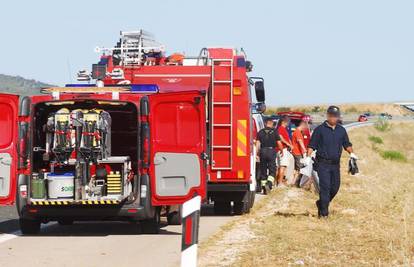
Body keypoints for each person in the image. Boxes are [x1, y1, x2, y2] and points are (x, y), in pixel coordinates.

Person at [306, 106, 358, 218]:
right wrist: (307, 157)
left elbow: (347, 144)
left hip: (335, 165)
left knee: (335, 187)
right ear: (328, 116)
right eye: (332, 116)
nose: (334, 118)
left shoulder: (341, 130)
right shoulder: (319, 130)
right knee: (325, 188)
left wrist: (352, 153)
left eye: (336, 116)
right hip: (322, 164)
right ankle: (324, 214)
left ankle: (321, 204)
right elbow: (312, 145)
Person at [256, 118, 283, 194]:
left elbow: (257, 144)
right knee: (272, 170)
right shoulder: (274, 131)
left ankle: (264, 189)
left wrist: (257, 153)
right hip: (271, 151)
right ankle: (269, 184)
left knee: (263, 170)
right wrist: (281, 150)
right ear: (271, 124)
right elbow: (279, 143)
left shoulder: (260, 132)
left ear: (265, 124)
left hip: (263, 151)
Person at [276, 115, 293, 187]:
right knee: (282, 166)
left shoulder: (283, 129)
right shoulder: (281, 128)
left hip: (281, 149)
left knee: (279, 167)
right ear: (283, 122)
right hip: (282, 149)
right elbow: (280, 137)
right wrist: (288, 144)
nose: (288, 123)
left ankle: (276, 183)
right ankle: (279, 183)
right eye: (287, 122)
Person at [291, 120, 307, 186]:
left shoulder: (296, 131)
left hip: (296, 152)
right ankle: (296, 183)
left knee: (296, 168)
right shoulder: (298, 132)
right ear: (302, 125)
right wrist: (304, 149)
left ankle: (293, 182)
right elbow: (300, 141)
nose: (305, 128)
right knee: (300, 169)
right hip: (297, 153)